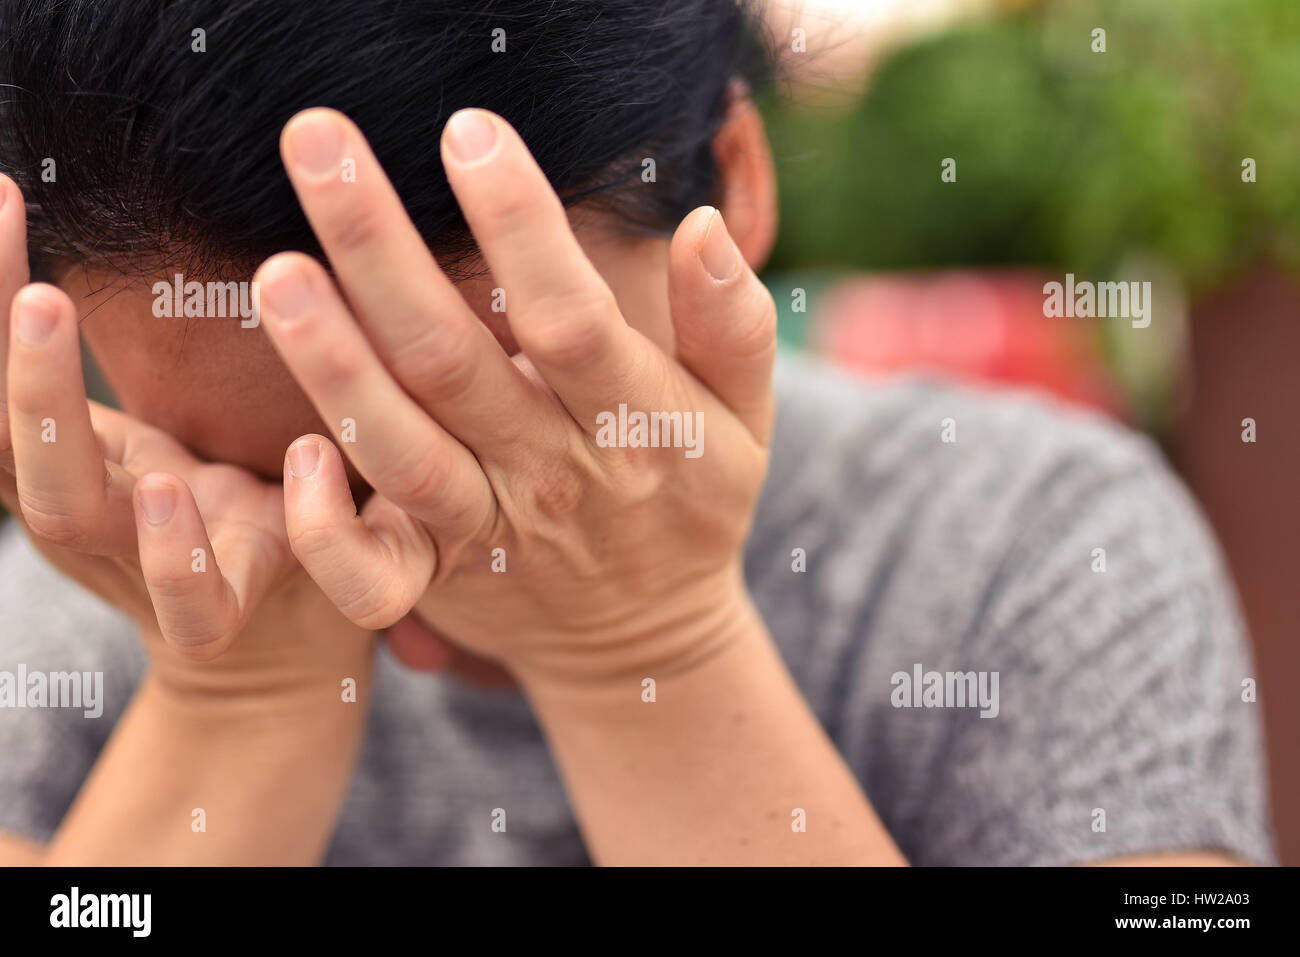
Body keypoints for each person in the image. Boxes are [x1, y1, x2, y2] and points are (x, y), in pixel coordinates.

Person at [0, 0, 1273, 866]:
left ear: (738, 180)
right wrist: (235, 702)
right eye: (262, 473)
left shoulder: (1037, 549)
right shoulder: (93, 603)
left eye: (479, 434)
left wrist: (645, 652)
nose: (372, 555)